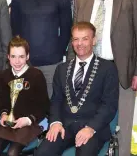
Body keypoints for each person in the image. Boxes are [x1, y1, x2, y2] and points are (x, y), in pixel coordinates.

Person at [70, 0, 137, 156]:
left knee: (123, 123)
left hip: (121, 70)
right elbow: (75, 37)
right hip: (89, 69)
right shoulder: (82, 1)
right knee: (91, 118)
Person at [35, 22, 119, 155]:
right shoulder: (61, 69)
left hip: (92, 127)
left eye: (85, 38)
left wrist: (91, 128)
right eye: (76, 39)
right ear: (72, 42)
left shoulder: (108, 68)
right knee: (42, 152)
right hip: (64, 126)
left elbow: (109, 105)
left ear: (94, 40)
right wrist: (55, 122)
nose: (80, 43)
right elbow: (56, 100)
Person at [10, 0, 72, 98]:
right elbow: (15, 31)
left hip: (52, 65)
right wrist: (22, 59)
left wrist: (56, 54)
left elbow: (66, 31)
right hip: (25, 66)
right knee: (25, 108)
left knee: (52, 107)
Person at [0, 36, 50, 156]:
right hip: (10, 123)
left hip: (29, 123)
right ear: (8, 57)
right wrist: (5, 114)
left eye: (21, 57)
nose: (17, 61)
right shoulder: (4, 76)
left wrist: (28, 120)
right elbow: (3, 101)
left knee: (12, 153)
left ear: (27, 56)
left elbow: (44, 106)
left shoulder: (36, 75)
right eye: (13, 56)